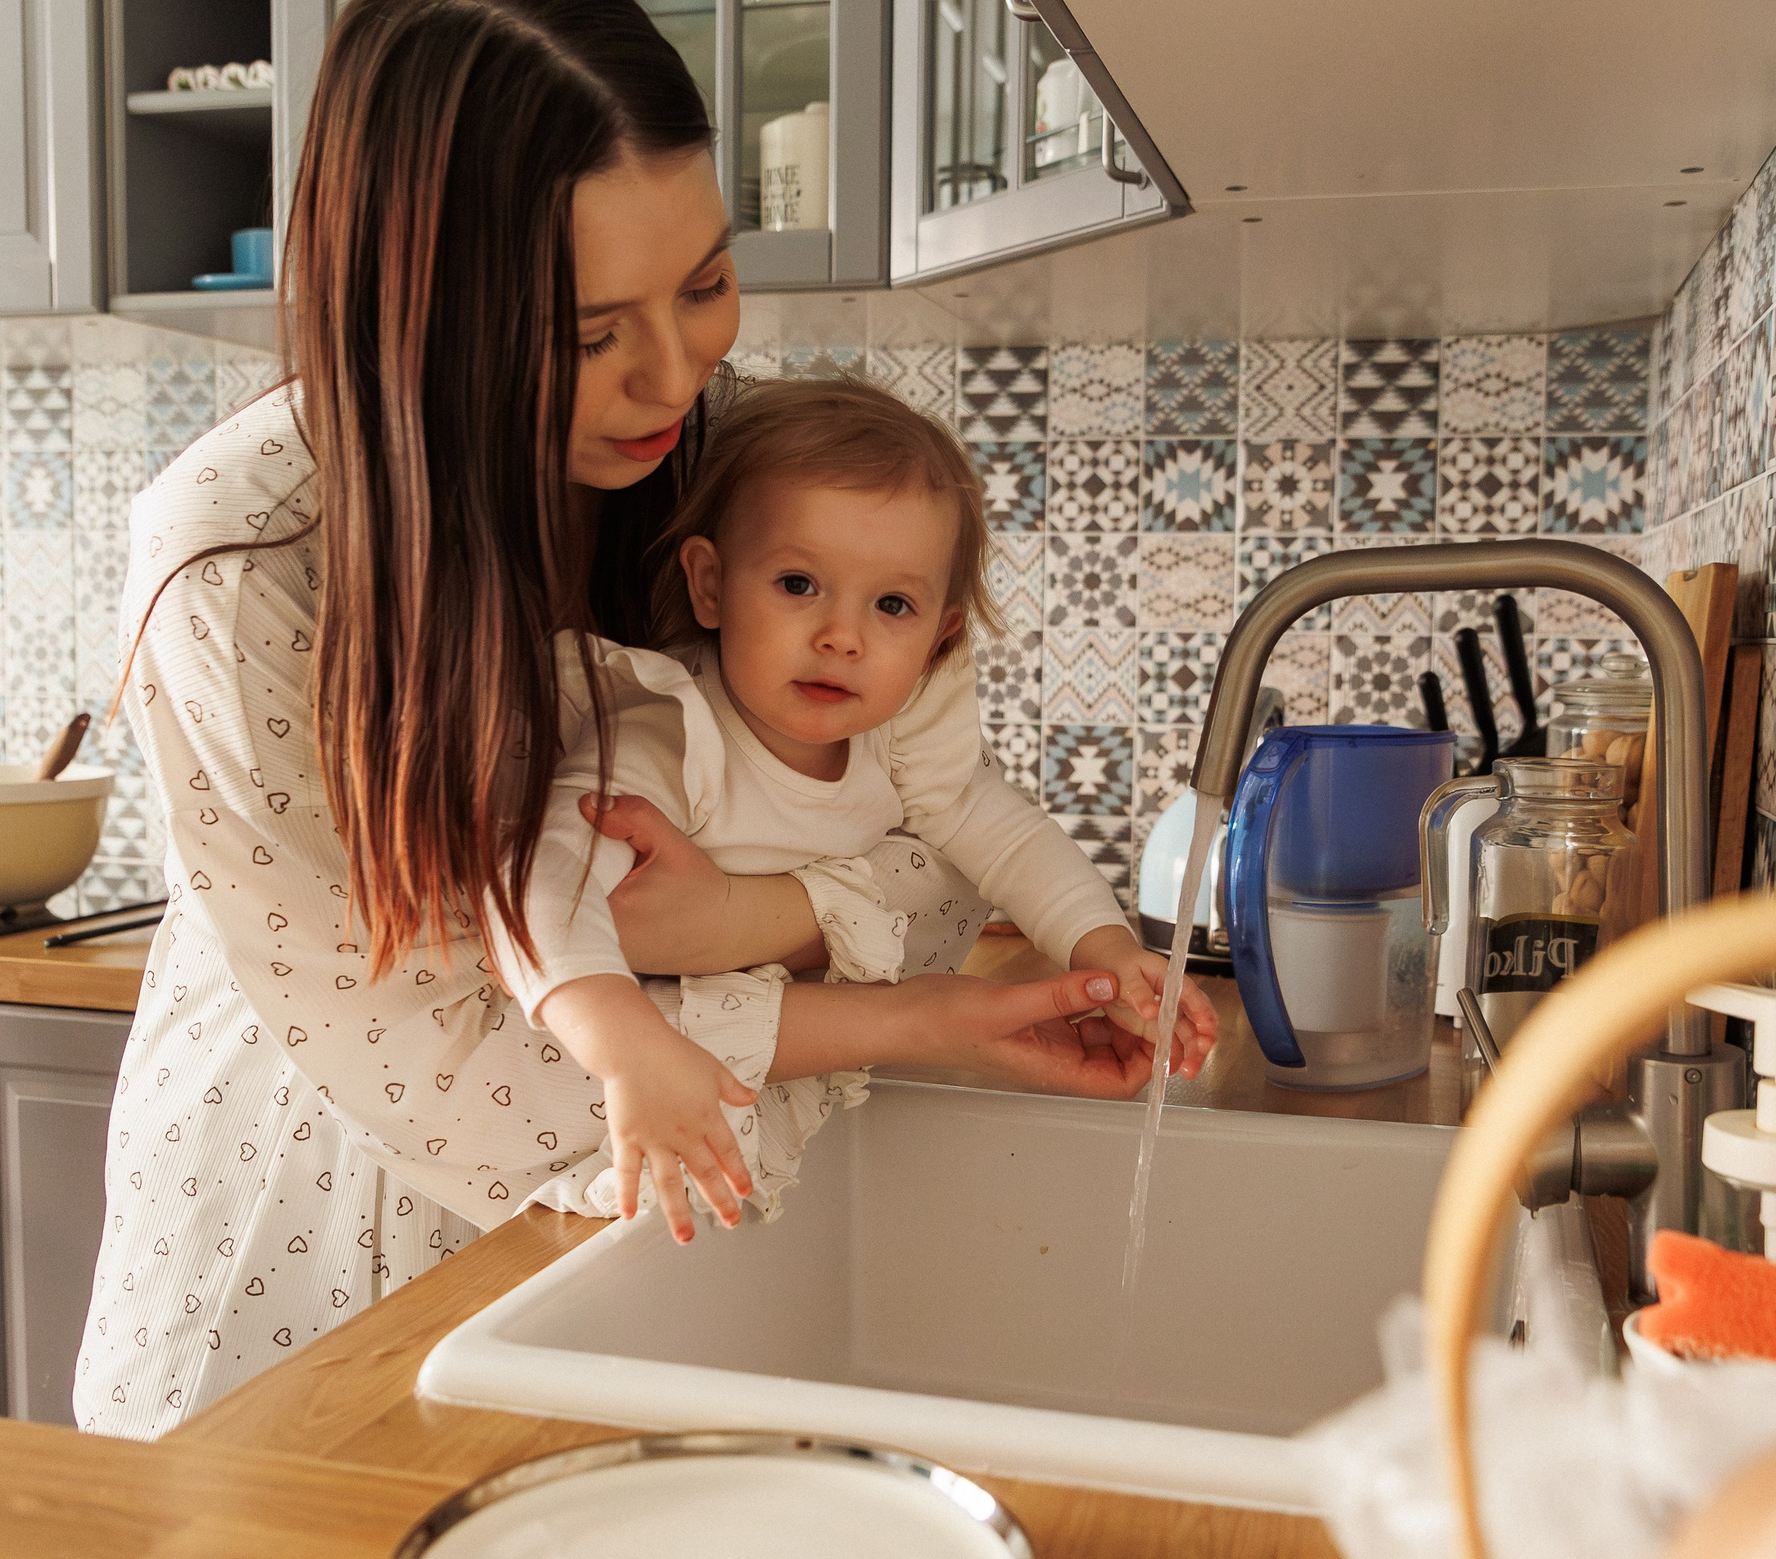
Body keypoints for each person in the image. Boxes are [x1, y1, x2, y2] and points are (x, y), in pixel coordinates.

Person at [76, 0, 1157, 1440]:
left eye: (705, 284)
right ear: (418, 314)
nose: (674, 376)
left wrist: (732, 922)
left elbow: (937, 835)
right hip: (317, 1226)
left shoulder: (734, 470)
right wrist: (895, 1009)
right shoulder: (243, 561)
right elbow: (441, 1063)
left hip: (667, 1178)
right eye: (586, 333)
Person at [507, 379, 1218, 1236]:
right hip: (618, 1093)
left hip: (777, 1070)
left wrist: (1107, 950)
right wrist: (627, 1051)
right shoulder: (670, 733)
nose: (842, 636)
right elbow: (540, 889)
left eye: (891, 605)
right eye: (798, 583)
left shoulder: (898, 740)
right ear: (711, 584)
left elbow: (1005, 835)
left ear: (938, 638)